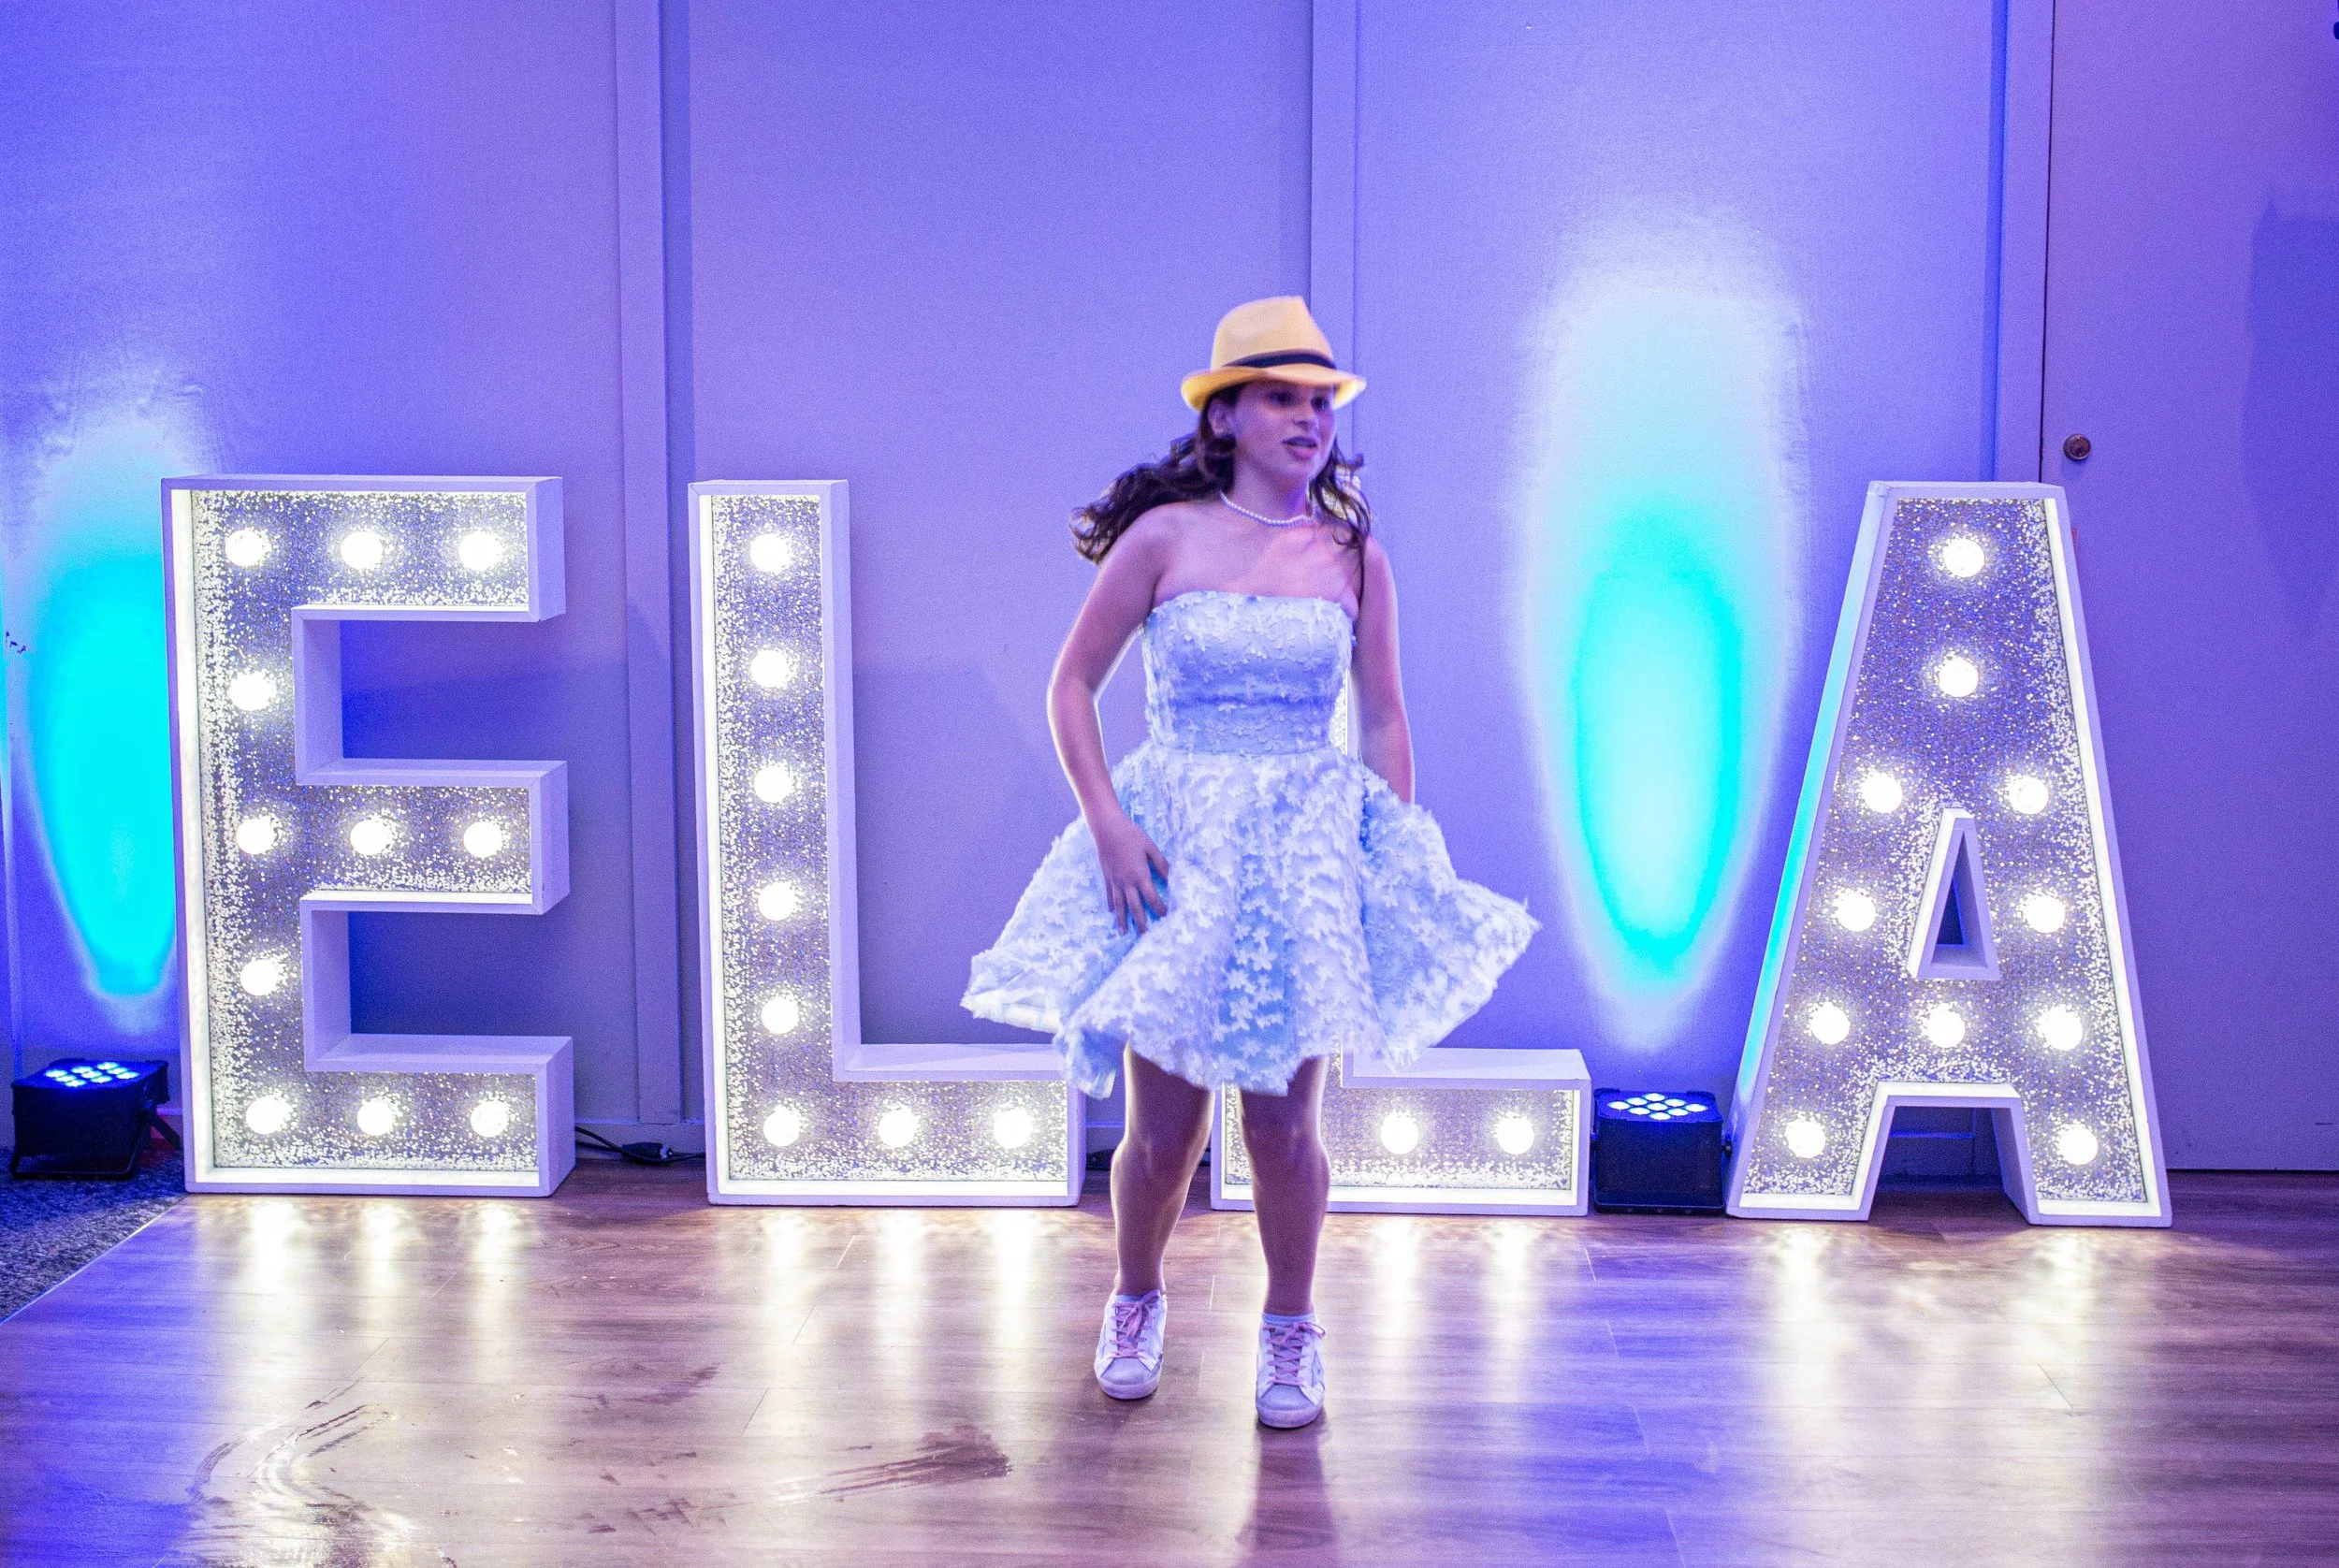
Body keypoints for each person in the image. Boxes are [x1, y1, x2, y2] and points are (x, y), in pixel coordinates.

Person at [965, 297, 1535, 1429]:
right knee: (1165, 1126)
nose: (1308, 417)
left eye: (1321, 400)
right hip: (1175, 844)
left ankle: (1291, 1326)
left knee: (1283, 1124)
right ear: (1224, 412)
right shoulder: (1164, 536)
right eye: (1282, 395)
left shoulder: (1354, 553)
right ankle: (1135, 1296)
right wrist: (1108, 821)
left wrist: (1389, 849)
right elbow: (1070, 685)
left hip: (1303, 850)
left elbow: (1382, 717)